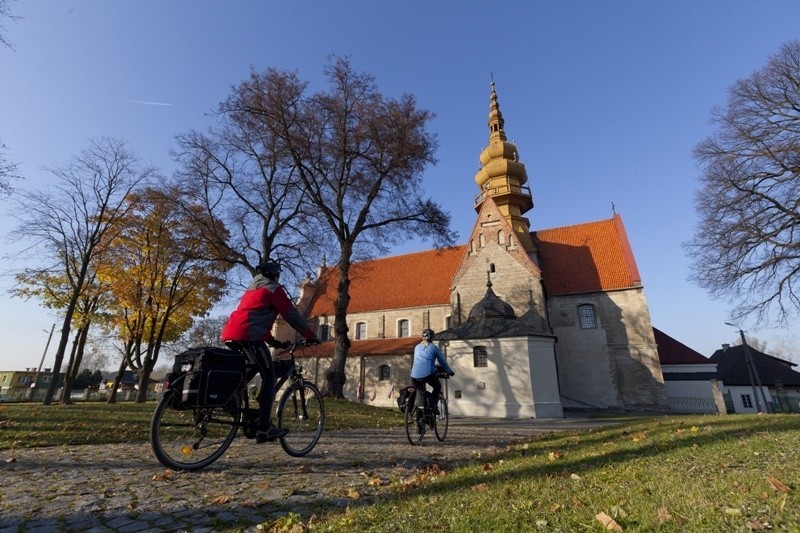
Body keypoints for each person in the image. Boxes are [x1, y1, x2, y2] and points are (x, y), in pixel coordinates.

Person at [221, 259, 320, 443]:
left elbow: (254, 316)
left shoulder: (252, 290)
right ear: (275, 275)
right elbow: (291, 314)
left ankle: (229, 400)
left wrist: (271, 340)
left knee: (251, 367)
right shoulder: (274, 288)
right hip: (249, 335)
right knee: (269, 374)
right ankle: (265, 428)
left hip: (231, 334)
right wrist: (309, 334)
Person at [410, 328, 454, 415]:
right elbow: (442, 361)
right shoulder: (434, 348)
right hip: (428, 374)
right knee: (437, 386)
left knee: (421, 390)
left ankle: (420, 411)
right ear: (432, 337)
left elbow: (421, 361)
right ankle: (431, 405)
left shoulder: (417, 347)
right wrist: (449, 371)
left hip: (414, 375)